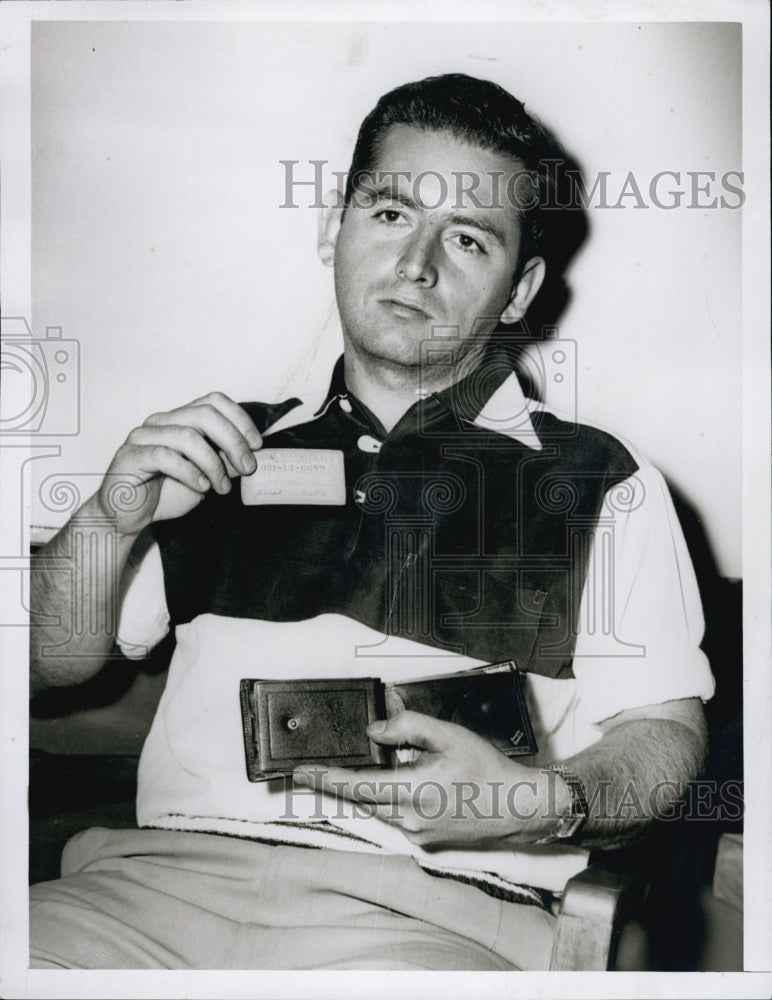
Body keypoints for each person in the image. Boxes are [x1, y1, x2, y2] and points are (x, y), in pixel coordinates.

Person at [29, 73, 714, 970]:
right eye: (391, 214)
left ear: (519, 289)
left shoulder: (602, 481)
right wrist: (110, 518)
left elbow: (665, 740)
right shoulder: (215, 445)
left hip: (429, 923)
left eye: (468, 238)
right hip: (138, 898)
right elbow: (45, 665)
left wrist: (533, 802)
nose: (418, 264)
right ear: (334, 227)